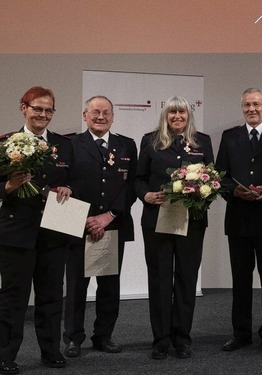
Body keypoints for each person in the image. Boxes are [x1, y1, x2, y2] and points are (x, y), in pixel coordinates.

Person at [0, 86, 74, 373]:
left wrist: (71, 187)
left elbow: (78, 178)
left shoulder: (65, 145)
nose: (43, 114)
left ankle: (50, 350)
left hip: (55, 230)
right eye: (37, 108)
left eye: (48, 110)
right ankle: (5, 354)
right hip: (16, 231)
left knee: (52, 296)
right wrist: (7, 186)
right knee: (13, 297)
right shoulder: (6, 143)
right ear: (24, 108)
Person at [134, 96, 214, 360]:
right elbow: (138, 179)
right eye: (172, 112)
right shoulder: (151, 140)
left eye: (182, 112)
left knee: (186, 279)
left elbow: (213, 180)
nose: (177, 116)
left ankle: (182, 338)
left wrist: (203, 193)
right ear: (165, 115)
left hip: (192, 221)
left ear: (189, 114)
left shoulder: (203, 141)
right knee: (159, 280)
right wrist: (145, 195)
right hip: (158, 219)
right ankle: (161, 339)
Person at [63, 96, 138, 358]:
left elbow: (131, 186)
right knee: (76, 286)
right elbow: (63, 183)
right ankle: (73, 338)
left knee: (109, 285)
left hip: (113, 224)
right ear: (85, 115)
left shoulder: (126, 145)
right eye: (95, 112)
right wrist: (84, 218)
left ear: (113, 116)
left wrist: (109, 215)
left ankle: (103, 336)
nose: (101, 116)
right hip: (77, 223)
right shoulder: (70, 144)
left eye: (106, 112)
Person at [216, 88, 262, 353]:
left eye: (256, 104)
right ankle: (240, 333)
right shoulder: (230, 137)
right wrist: (234, 190)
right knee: (240, 280)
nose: (251, 109)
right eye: (247, 105)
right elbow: (219, 176)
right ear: (242, 107)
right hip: (239, 219)